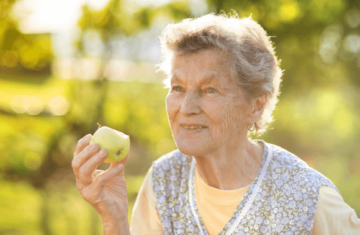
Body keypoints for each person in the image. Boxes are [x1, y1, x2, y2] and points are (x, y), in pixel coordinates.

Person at [72, 13, 360, 234]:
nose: (187, 108)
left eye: (210, 90)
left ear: (255, 105)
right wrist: (114, 219)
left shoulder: (308, 196)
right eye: (177, 88)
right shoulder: (163, 180)